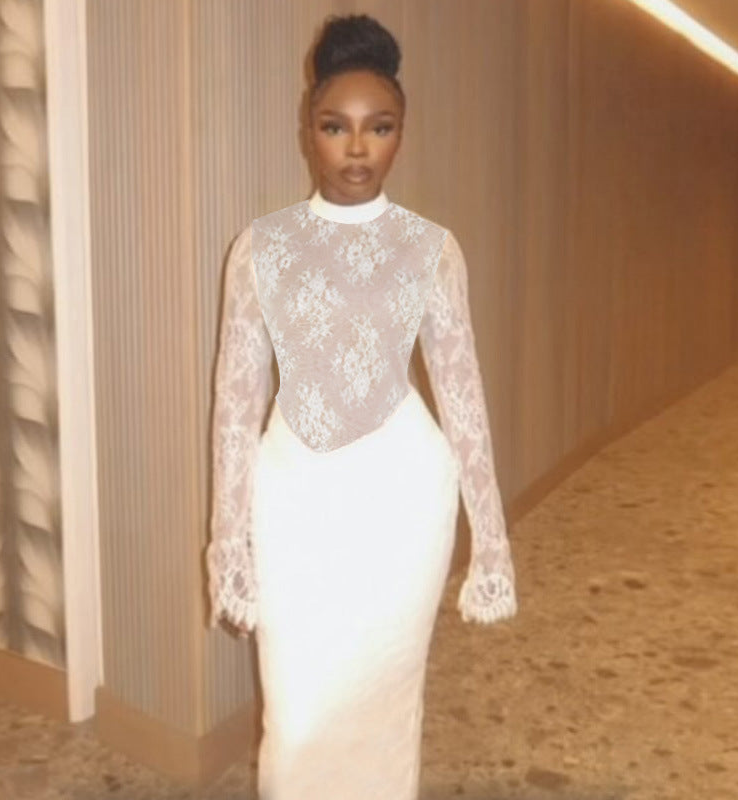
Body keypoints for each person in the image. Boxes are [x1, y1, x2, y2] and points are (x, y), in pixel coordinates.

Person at [205, 13, 518, 800]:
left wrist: (490, 540)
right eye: (334, 126)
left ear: (400, 135)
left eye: (378, 127)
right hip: (293, 500)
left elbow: (464, 397)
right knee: (297, 716)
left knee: (383, 707)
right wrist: (229, 545)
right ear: (307, 131)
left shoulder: (432, 250)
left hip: (403, 503)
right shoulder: (258, 249)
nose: (356, 147)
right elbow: (235, 408)